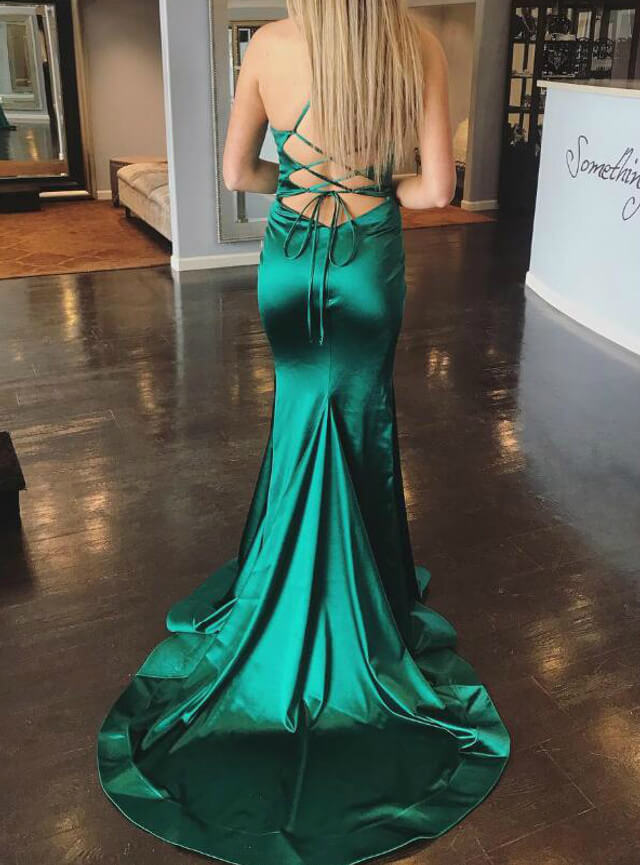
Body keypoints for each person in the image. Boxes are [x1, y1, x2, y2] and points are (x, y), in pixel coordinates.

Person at [97, 3, 510, 864]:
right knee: (359, 417)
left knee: (298, 417)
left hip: (289, 259)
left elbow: (235, 169)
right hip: (366, 263)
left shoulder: (270, 45)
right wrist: (370, 189)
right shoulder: (416, 43)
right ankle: (364, 596)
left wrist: (298, 177)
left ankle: (284, 585)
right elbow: (437, 190)